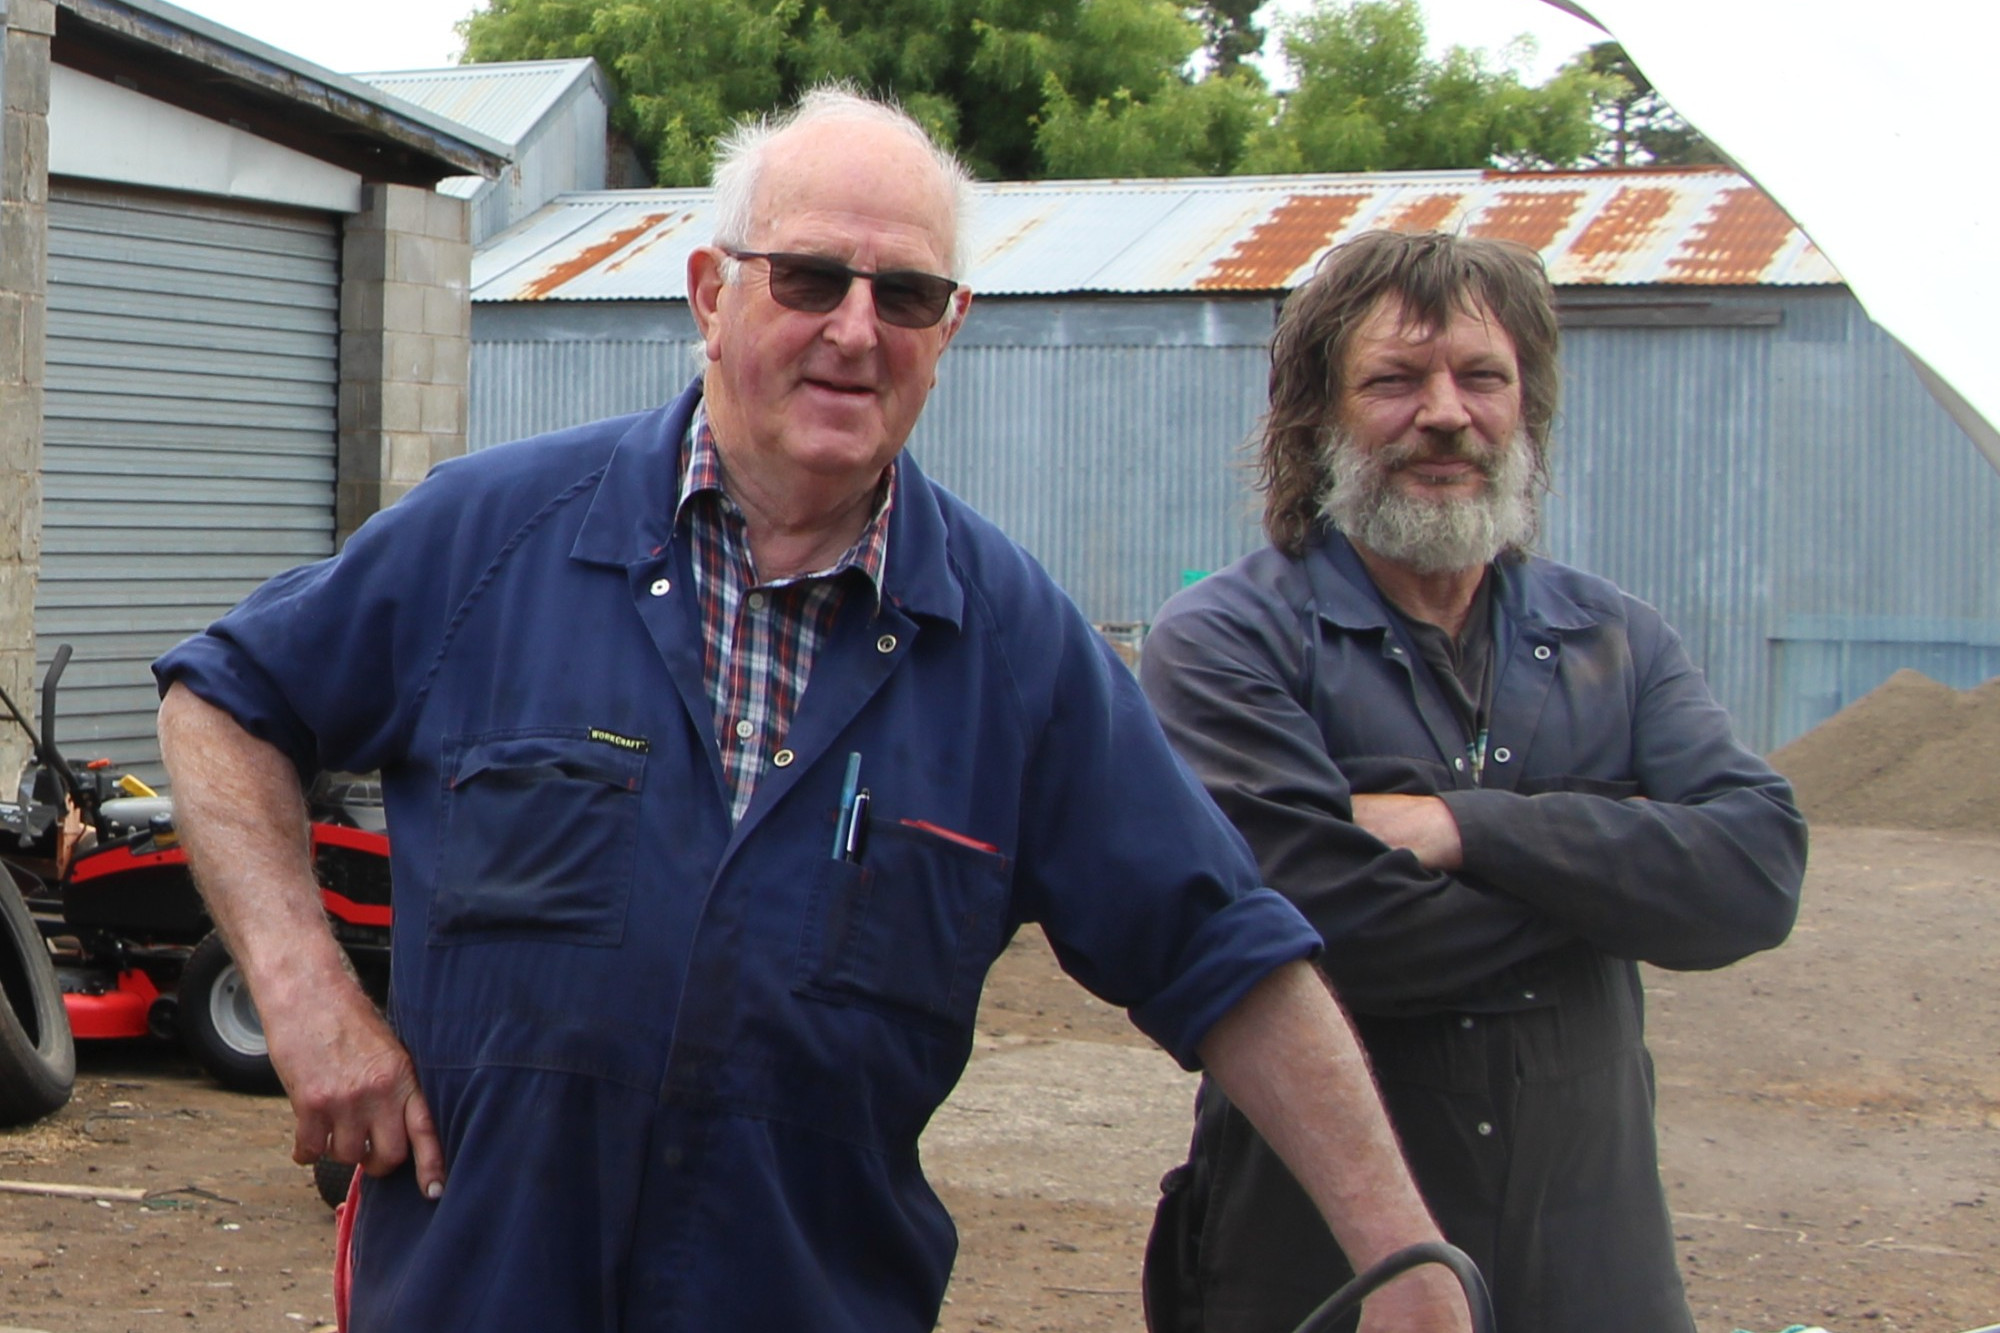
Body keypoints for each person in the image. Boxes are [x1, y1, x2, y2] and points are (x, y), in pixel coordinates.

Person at [151, 93, 1471, 1333]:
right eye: (809, 279)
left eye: (904, 294)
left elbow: (1224, 952)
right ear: (711, 295)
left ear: (947, 333)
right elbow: (223, 701)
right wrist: (309, 997)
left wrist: (1399, 1251)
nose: (855, 328)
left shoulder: (1012, 651)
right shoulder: (494, 540)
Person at [1137, 230, 1810, 1333]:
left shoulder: (1615, 638)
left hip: (1596, 1273)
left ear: (1526, 409)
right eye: (1394, 380)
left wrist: (1465, 828)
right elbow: (1315, 921)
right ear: (1315, 420)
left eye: (1481, 376)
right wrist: (1611, 884)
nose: (1444, 413)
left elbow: (1754, 870)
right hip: (1320, 1273)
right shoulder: (1228, 641)